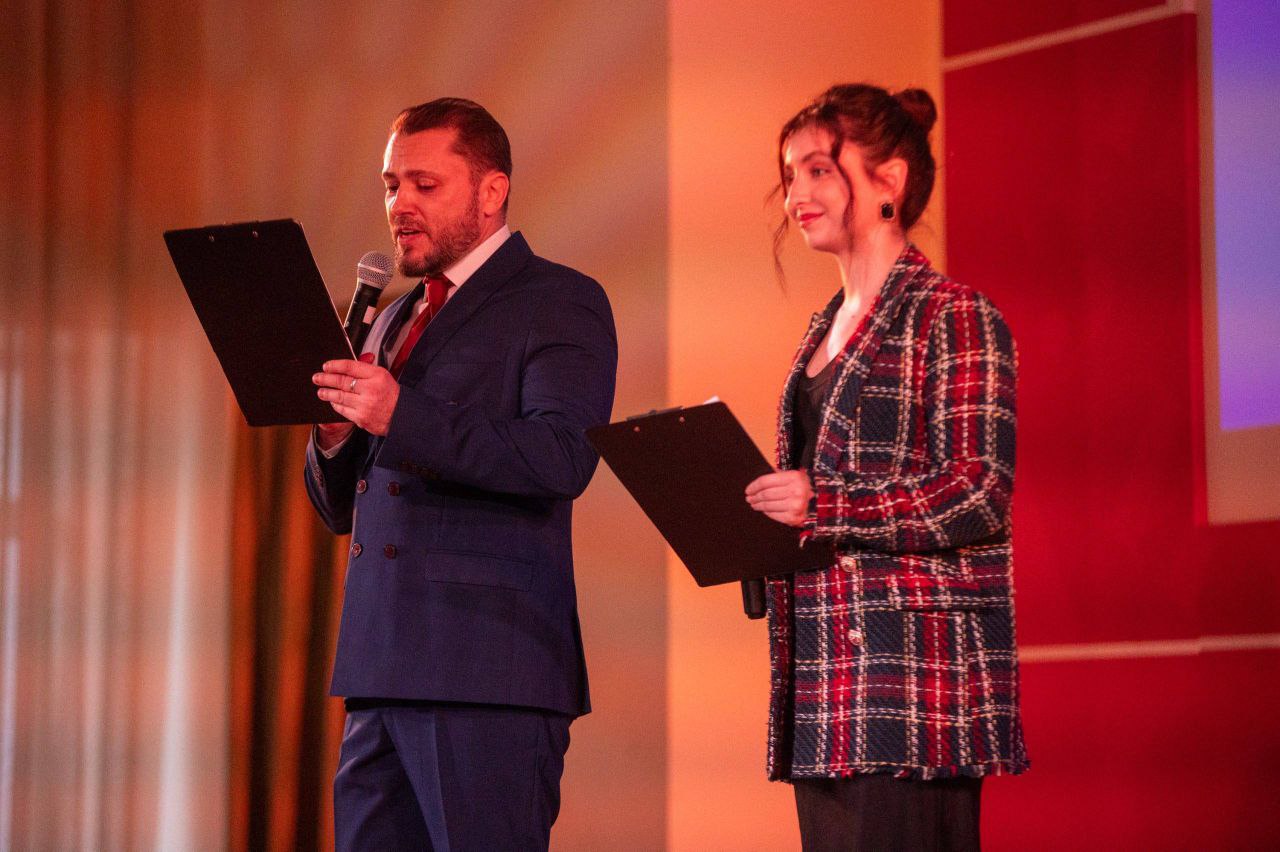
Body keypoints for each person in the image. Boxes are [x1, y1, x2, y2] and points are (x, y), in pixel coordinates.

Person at [304, 97, 617, 851]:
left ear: (491, 190)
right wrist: (336, 439)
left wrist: (398, 414)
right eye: (390, 185)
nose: (399, 205)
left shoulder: (559, 299)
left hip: (487, 671)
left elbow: (561, 457)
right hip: (379, 670)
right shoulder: (392, 317)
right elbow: (345, 509)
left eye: (424, 185)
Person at [744, 84, 1028, 850]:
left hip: (910, 684)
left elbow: (977, 490)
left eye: (818, 171)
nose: (796, 196)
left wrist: (822, 504)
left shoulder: (954, 315)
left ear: (888, 181)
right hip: (821, 681)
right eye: (790, 176)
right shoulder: (820, 331)